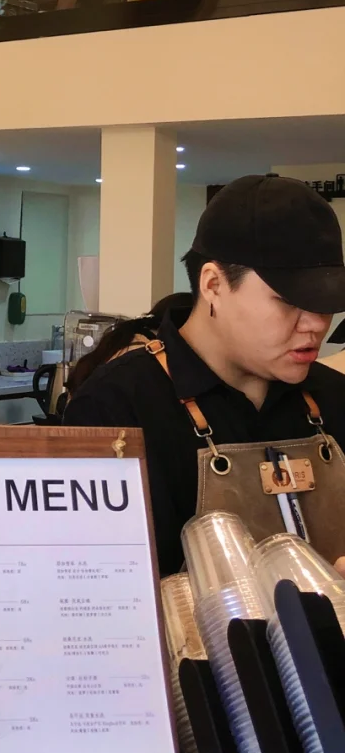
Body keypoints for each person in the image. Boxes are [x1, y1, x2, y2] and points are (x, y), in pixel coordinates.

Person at [64, 174, 345, 575]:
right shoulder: (117, 408)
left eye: (327, 302)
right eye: (289, 301)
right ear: (213, 284)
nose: (316, 324)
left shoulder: (334, 398)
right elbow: (101, 584)